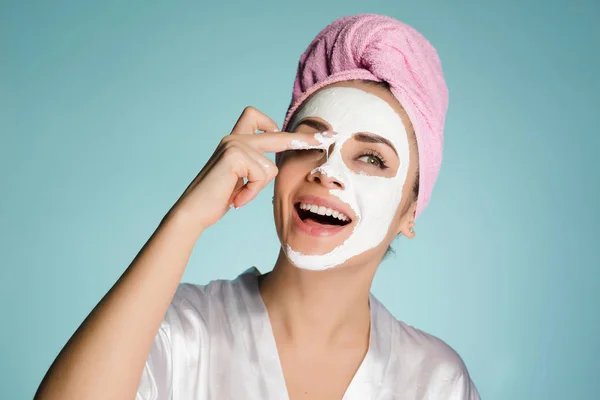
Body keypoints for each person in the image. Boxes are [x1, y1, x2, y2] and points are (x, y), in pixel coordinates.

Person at [35, 14, 480, 400]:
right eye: (310, 140)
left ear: (410, 212)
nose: (326, 171)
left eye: (371, 158)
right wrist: (185, 219)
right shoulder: (176, 331)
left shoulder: (436, 381)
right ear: (278, 158)